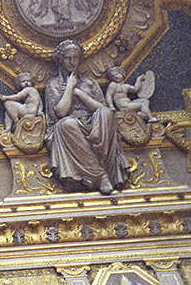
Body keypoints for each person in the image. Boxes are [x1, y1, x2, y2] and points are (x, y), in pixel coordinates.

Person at [43, 40, 129, 194]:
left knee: (106, 114)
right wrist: (70, 86)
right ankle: (100, 174)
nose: (72, 62)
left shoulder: (89, 82)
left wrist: (79, 93)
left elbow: (102, 108)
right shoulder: (53, 84)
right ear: (60, 60)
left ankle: (98, 153)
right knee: (66, 124)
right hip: (71, 128)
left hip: (94, 123)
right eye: (68, 58)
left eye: (75, 58)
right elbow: (60, 113)